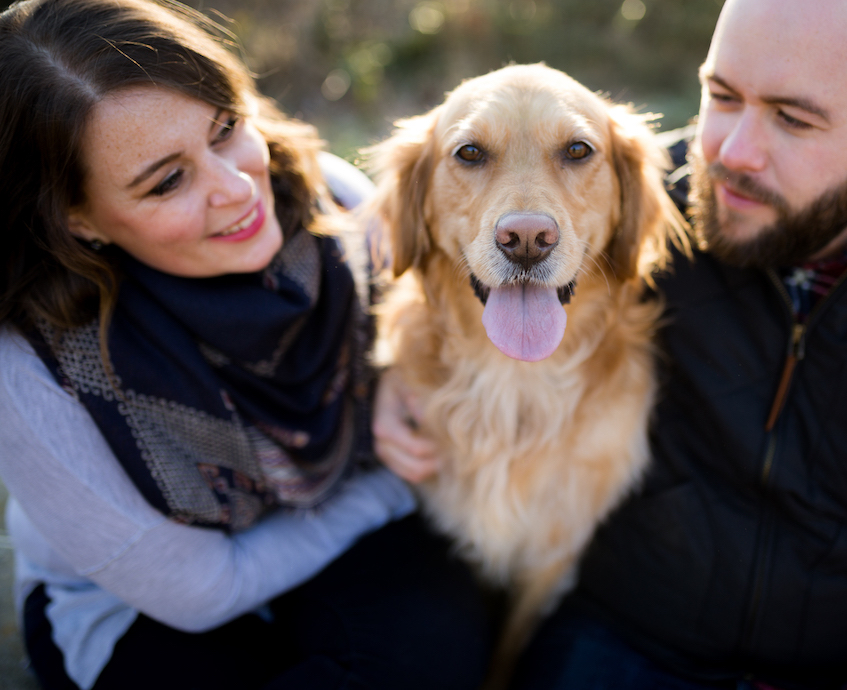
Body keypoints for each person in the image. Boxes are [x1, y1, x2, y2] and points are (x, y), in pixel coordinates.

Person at [381, 0, 847, 687]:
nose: (730, 152)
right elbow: (430, 261)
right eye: (722, 96)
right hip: (614, 638)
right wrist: (396, 372)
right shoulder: (645, 194)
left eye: (793, 117)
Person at [0, 1, 491, 688]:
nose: (236, 189)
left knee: (436, 656)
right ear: (77, 218)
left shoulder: (335, 209)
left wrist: (410, 378)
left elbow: (460, 368)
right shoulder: (31, 367)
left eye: (225, 130)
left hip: (337, 517)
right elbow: (199, 592)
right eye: (168, 180)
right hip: (143, 605)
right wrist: (387, 480)